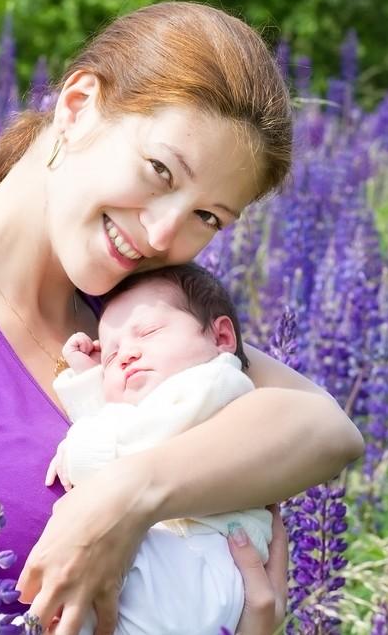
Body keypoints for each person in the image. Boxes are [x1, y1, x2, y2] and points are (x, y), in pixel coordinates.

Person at [0, 1, 364, 635]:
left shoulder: (136, 309)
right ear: (78, 107)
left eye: (208, 217)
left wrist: (126, 496)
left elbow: (326, 428)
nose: (163, 233)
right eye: (160, 171)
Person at [43, 263, 273, 634]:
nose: (127, 355)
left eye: (148, 332)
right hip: (181, 561)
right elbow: (126, 430)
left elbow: (140, 442)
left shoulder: (217, 384)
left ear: (222, 338)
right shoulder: (158, 407)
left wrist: (80, 453)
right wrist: (89, 379)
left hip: (203, 558)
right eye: (111, 357)